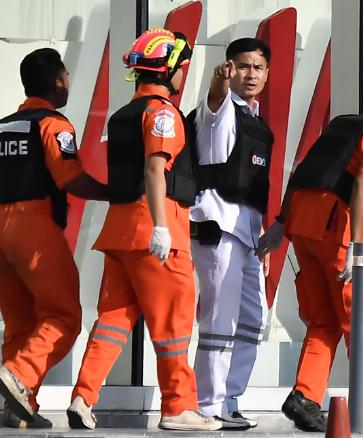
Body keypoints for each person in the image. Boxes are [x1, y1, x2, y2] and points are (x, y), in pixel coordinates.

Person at [257, 55, 363, 433]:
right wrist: (354, 243)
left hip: (304, 225)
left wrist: (282, 223)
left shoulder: (347, 124)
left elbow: (305, 169)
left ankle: (305, 397)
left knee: (325, 320)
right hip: (339, 228)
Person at [65, 28, 220, 431]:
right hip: (156, 230)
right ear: (172, 70)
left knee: (113, 320)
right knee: (173, 325)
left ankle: (83, 397)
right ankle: (177, 406)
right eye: (183, 67)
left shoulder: (122, 115)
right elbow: (155, 169)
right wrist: (163, 229)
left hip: (120, 233)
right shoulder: (163, 113)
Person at [0, 48, 108, 429]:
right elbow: (70, 178)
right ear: (58, 81)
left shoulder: (4, 125)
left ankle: (17, 407)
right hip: (33, 227)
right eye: (66, 76)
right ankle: (19, 375)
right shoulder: (54, 125)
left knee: (21, 323)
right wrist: (118, 193)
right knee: (63, 316)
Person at [188, 37, 273, 430]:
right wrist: (216, 86)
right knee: (218, 321)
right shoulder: (218, 109)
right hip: (216, 228)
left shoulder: (257, 123)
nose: (250, 74)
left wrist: (261, 241)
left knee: (255, 318)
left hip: (248, 235)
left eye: (258, 67)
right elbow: (213, 106)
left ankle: (230, 398)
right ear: (228, 68)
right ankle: (208, 405)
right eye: (242, 66)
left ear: (267, 73)